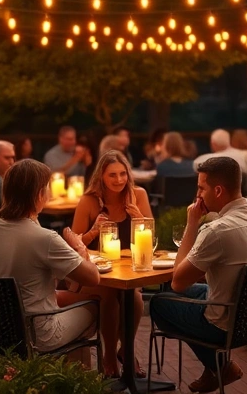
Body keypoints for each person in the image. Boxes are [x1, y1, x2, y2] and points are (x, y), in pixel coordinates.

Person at [150, 157, 247, 393]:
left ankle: (220, 367)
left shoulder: (217, 231)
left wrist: (192, 222)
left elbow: (177, 281)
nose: (198, 195)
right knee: (187, 291)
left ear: (217, 190)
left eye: (201, 188)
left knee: (160, 302)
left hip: (228, 324)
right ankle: (215, 370)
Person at [0, 159, 100, 356]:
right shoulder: (45, 238)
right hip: (35, 333)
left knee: (71, 298)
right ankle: (75, 383)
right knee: (94, 305)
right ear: (40, 194)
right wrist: (80, 247)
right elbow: (93, 277)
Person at [70, 150, 154, 376]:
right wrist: (93, 231)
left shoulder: (139, 195)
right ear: (101, 177)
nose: (119, 180)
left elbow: (151, 240)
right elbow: (73, 244)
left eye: (122, 174)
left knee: (133, 296)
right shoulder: (89, 201)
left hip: (127, 271)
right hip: (94, 274)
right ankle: (108, 356)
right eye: (112, 175)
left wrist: (139, 219)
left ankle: (126, 351)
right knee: (108, 295)